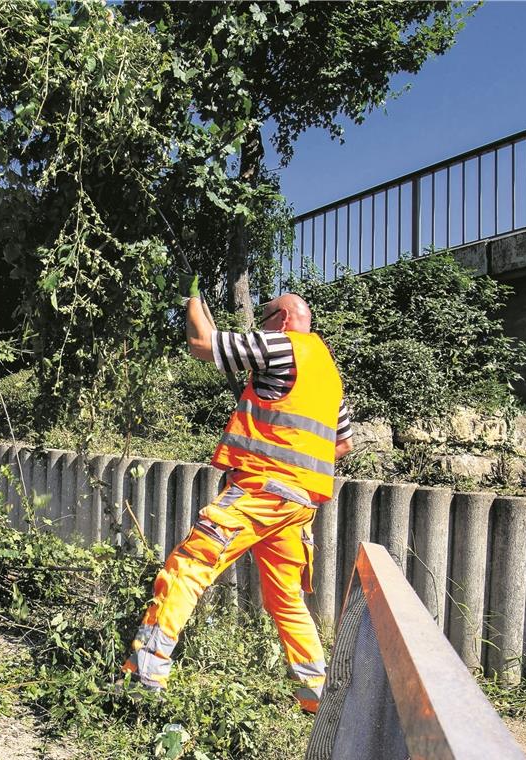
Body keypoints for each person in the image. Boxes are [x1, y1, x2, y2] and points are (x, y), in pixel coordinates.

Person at [122, 278, 353, 713]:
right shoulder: (329, 373)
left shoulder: (281, 346)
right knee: (285, 597)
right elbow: (342, 444)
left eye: (263, 320)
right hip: (299, 506)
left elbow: (202, 344)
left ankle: (143, 676)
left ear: (282, 319)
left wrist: (191, 297)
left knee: (189, 566)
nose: (260, 329)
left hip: (260, 492)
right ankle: (316, 695)